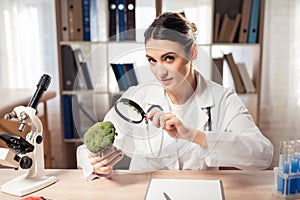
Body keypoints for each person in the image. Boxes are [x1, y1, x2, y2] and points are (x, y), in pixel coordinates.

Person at [77, 12, 274, 180]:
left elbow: (262, 154)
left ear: (192, 52)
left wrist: (194, 135)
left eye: (169, 58)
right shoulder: (137, 97)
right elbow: (86, 151)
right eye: (152, 60)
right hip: (145, 193)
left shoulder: (222, 99)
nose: (160, 72)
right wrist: (96, 164)